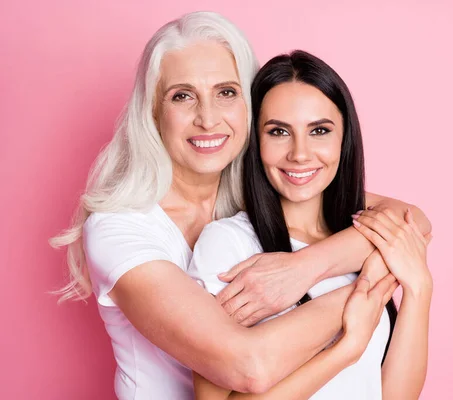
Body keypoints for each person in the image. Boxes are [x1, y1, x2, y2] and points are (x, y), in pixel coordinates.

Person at [50, 11, 431, 399]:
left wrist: (303, 269)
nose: (208, 118)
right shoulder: (120, 228)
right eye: (182, 96)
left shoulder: (265, 195)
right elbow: (246, 367)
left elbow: (410, 220)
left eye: (226, 92)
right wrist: (372, 289)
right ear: (152, 111)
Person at [189, 50, 433, 400]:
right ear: (255, 141)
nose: (300, 154)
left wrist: (420, 289)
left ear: (344, 139)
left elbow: (395, 396)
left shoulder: (360, 240)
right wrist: (345, 349)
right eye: (278, 132)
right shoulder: (229, 244)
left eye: (319, 130)